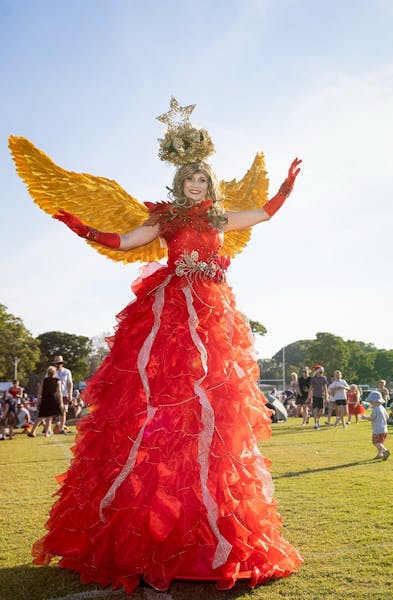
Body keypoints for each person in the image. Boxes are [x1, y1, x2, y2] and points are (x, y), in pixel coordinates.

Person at [9, 99, 303, 593]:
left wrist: (286, 189)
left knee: (213, 405)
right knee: (159, 399)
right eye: (190, 178)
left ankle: (211, 536)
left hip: (213, 315)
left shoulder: (218, 219)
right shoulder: (167, 217)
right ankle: (140, 531)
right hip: (169, 312)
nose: (196, 184)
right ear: (179, 181)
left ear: (210, 183)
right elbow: (126, 241)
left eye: (202, 178)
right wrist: (83, 228)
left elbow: (264, 214)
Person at [30, 366, 63, 437]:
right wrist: (61, 403)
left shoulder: (44, 380)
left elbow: (40, 391)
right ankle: (47, 433)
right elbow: (59, 392)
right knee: (49, 417)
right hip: (53, 399)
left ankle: (33, 431)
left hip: (45, 399)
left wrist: (39, 400)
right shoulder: (57, 381)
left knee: (41, 416)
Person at [361, 391, 390, 460]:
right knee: (380, 443)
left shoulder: (375, 409)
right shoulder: (382, 408)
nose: (370, 403)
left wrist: (365, 417)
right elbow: (387, 416)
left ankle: (385, 451)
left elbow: (372, 418)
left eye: (371, 401)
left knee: (376, 443)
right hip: (384, 429)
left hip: (377, 429)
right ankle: (379, 454)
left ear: (375, 401)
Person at [52, 356, 73, 434]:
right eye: (57, 363)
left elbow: (70, 383)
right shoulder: (52, 371)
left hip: (64, 394)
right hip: (54, 394)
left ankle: (61, 428)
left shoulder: (67, 372)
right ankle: (48, 428)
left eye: (60, 363)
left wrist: (70, 395)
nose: (58, 365)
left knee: (63, 411)